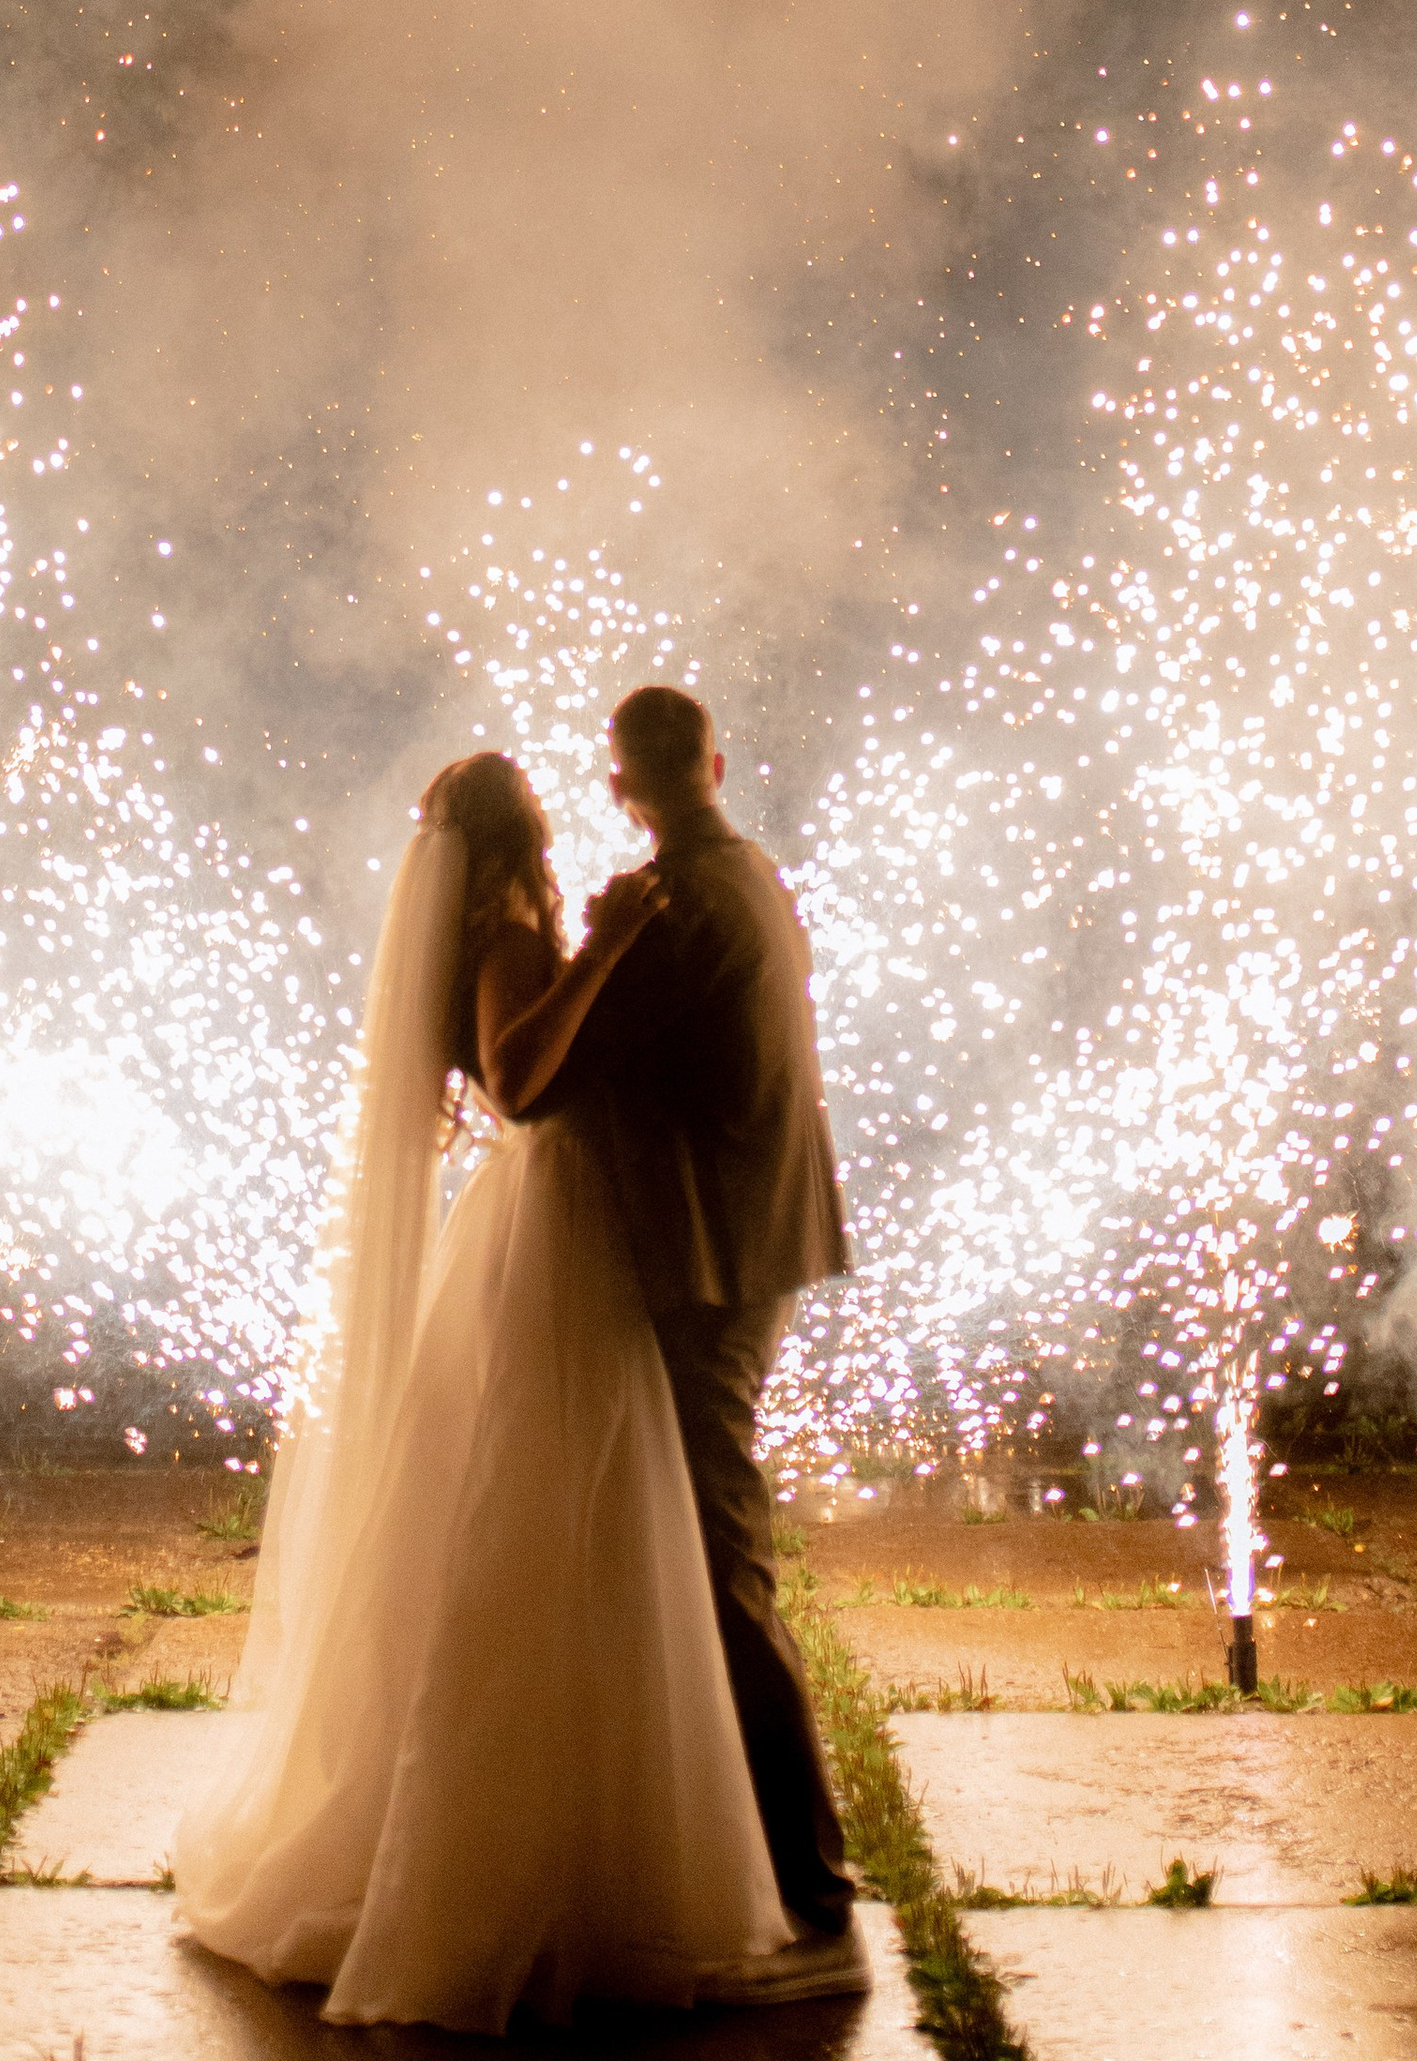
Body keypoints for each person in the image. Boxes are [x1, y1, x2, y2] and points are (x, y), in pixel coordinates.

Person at [171, 747, 841, 2032]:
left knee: (580, 1518)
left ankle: (615, 1818)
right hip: (555, 1232)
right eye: (532, 801)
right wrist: (606, 951)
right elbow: (524, 1082)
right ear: (505, 838)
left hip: (564, 1225)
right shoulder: (510, 938)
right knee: (541, 1507)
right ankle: (547, 1853)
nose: (560, 804)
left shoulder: (525, 921)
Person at [546, 682, 857, 1950]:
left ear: (620, 785)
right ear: (716, 762)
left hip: (714, 1256)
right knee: (705, 1531)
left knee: (725, 1554)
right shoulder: (754, 874)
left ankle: (804, 1862)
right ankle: (733, 1823)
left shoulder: (673, 908)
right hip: (758, 1238)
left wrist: (587, 948)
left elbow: (552, 1070)